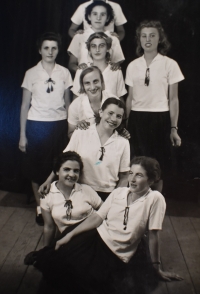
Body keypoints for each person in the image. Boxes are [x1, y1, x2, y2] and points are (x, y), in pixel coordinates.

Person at [33, 157, 183, 294]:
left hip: (119, 253)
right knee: (60, 269)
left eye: (139, 175)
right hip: (96, 239)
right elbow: (97, 218)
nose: (132, 179)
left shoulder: (155, 199)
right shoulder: (119, 192)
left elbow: (153, 235)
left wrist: (156, 268)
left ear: (151, 180)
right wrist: (69, 236)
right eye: (131, 173)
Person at [19, 32, 73, 225]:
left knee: (57, 165)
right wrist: (23, 135)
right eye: (46, 48)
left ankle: (56, 206)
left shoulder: (64, 73)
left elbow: (68, 104)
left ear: (58, 50)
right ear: (39, 50)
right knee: (37, 168)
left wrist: (69, 127)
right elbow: (25, 105)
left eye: (54, 48)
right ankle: (41, 208)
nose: (50, 52)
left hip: (59, 124)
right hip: (36, 125)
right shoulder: (31, 73)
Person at [125, 20, 184, 187]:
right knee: (137, 164)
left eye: (152, 35)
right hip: (137, 119)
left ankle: (155, 204)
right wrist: (127, 123)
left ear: (160, 39)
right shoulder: (132, 66)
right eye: (143, 36)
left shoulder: (170, 64)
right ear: (139, 39)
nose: (147, 39)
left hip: (160, 119)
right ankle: (138, 204)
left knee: (158, 166)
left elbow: (173, 99)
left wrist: (174, 128)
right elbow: (129, 98)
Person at [39, 97, 130, 202]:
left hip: (107, 195)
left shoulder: (123, 142)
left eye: (119, 116)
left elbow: (124, 176)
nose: (113, 119)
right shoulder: (81, 132)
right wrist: (48, 180)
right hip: (79, 191)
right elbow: (63, 161)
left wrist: (115, 198)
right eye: (110, 113)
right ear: (101, 112)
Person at [68, 0, 125, 75]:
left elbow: (117, 62)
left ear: (107, 18)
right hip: (84, 80)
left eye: (103, 14)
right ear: (89, 16)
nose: (98, 18)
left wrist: (116, 66)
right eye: (95, 14)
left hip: (106, 79)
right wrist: (80, 69)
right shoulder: (79, 37)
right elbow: (71, 64)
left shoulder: (113, 38)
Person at [71, 32, 127, 99]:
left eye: (101, 46)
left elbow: (120, 99)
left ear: (107, 48)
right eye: (93, 46)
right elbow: (75, 100)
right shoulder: (81, 71)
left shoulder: (115, 71)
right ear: (89, 50)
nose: (97, 50)